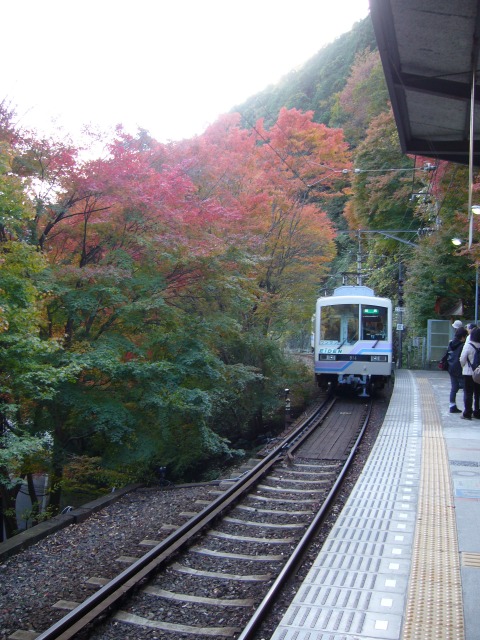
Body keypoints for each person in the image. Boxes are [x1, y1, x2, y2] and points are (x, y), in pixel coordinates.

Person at [460, 326, 480, 419]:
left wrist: (463, 366)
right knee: (478, 393)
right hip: (479, 374)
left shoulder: (468, 345)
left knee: (468, 393)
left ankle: (467, 413)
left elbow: (462, 359)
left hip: (468, 373)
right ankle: (477, 412)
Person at [447, 327, 467, 413]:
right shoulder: (463, 346)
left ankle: (452, 406)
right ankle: (467, 409)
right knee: (466, 388)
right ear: (462, 337)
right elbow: (463, 359)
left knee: (454, 387)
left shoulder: (451, 343)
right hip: (459, 369)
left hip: (451, 367)